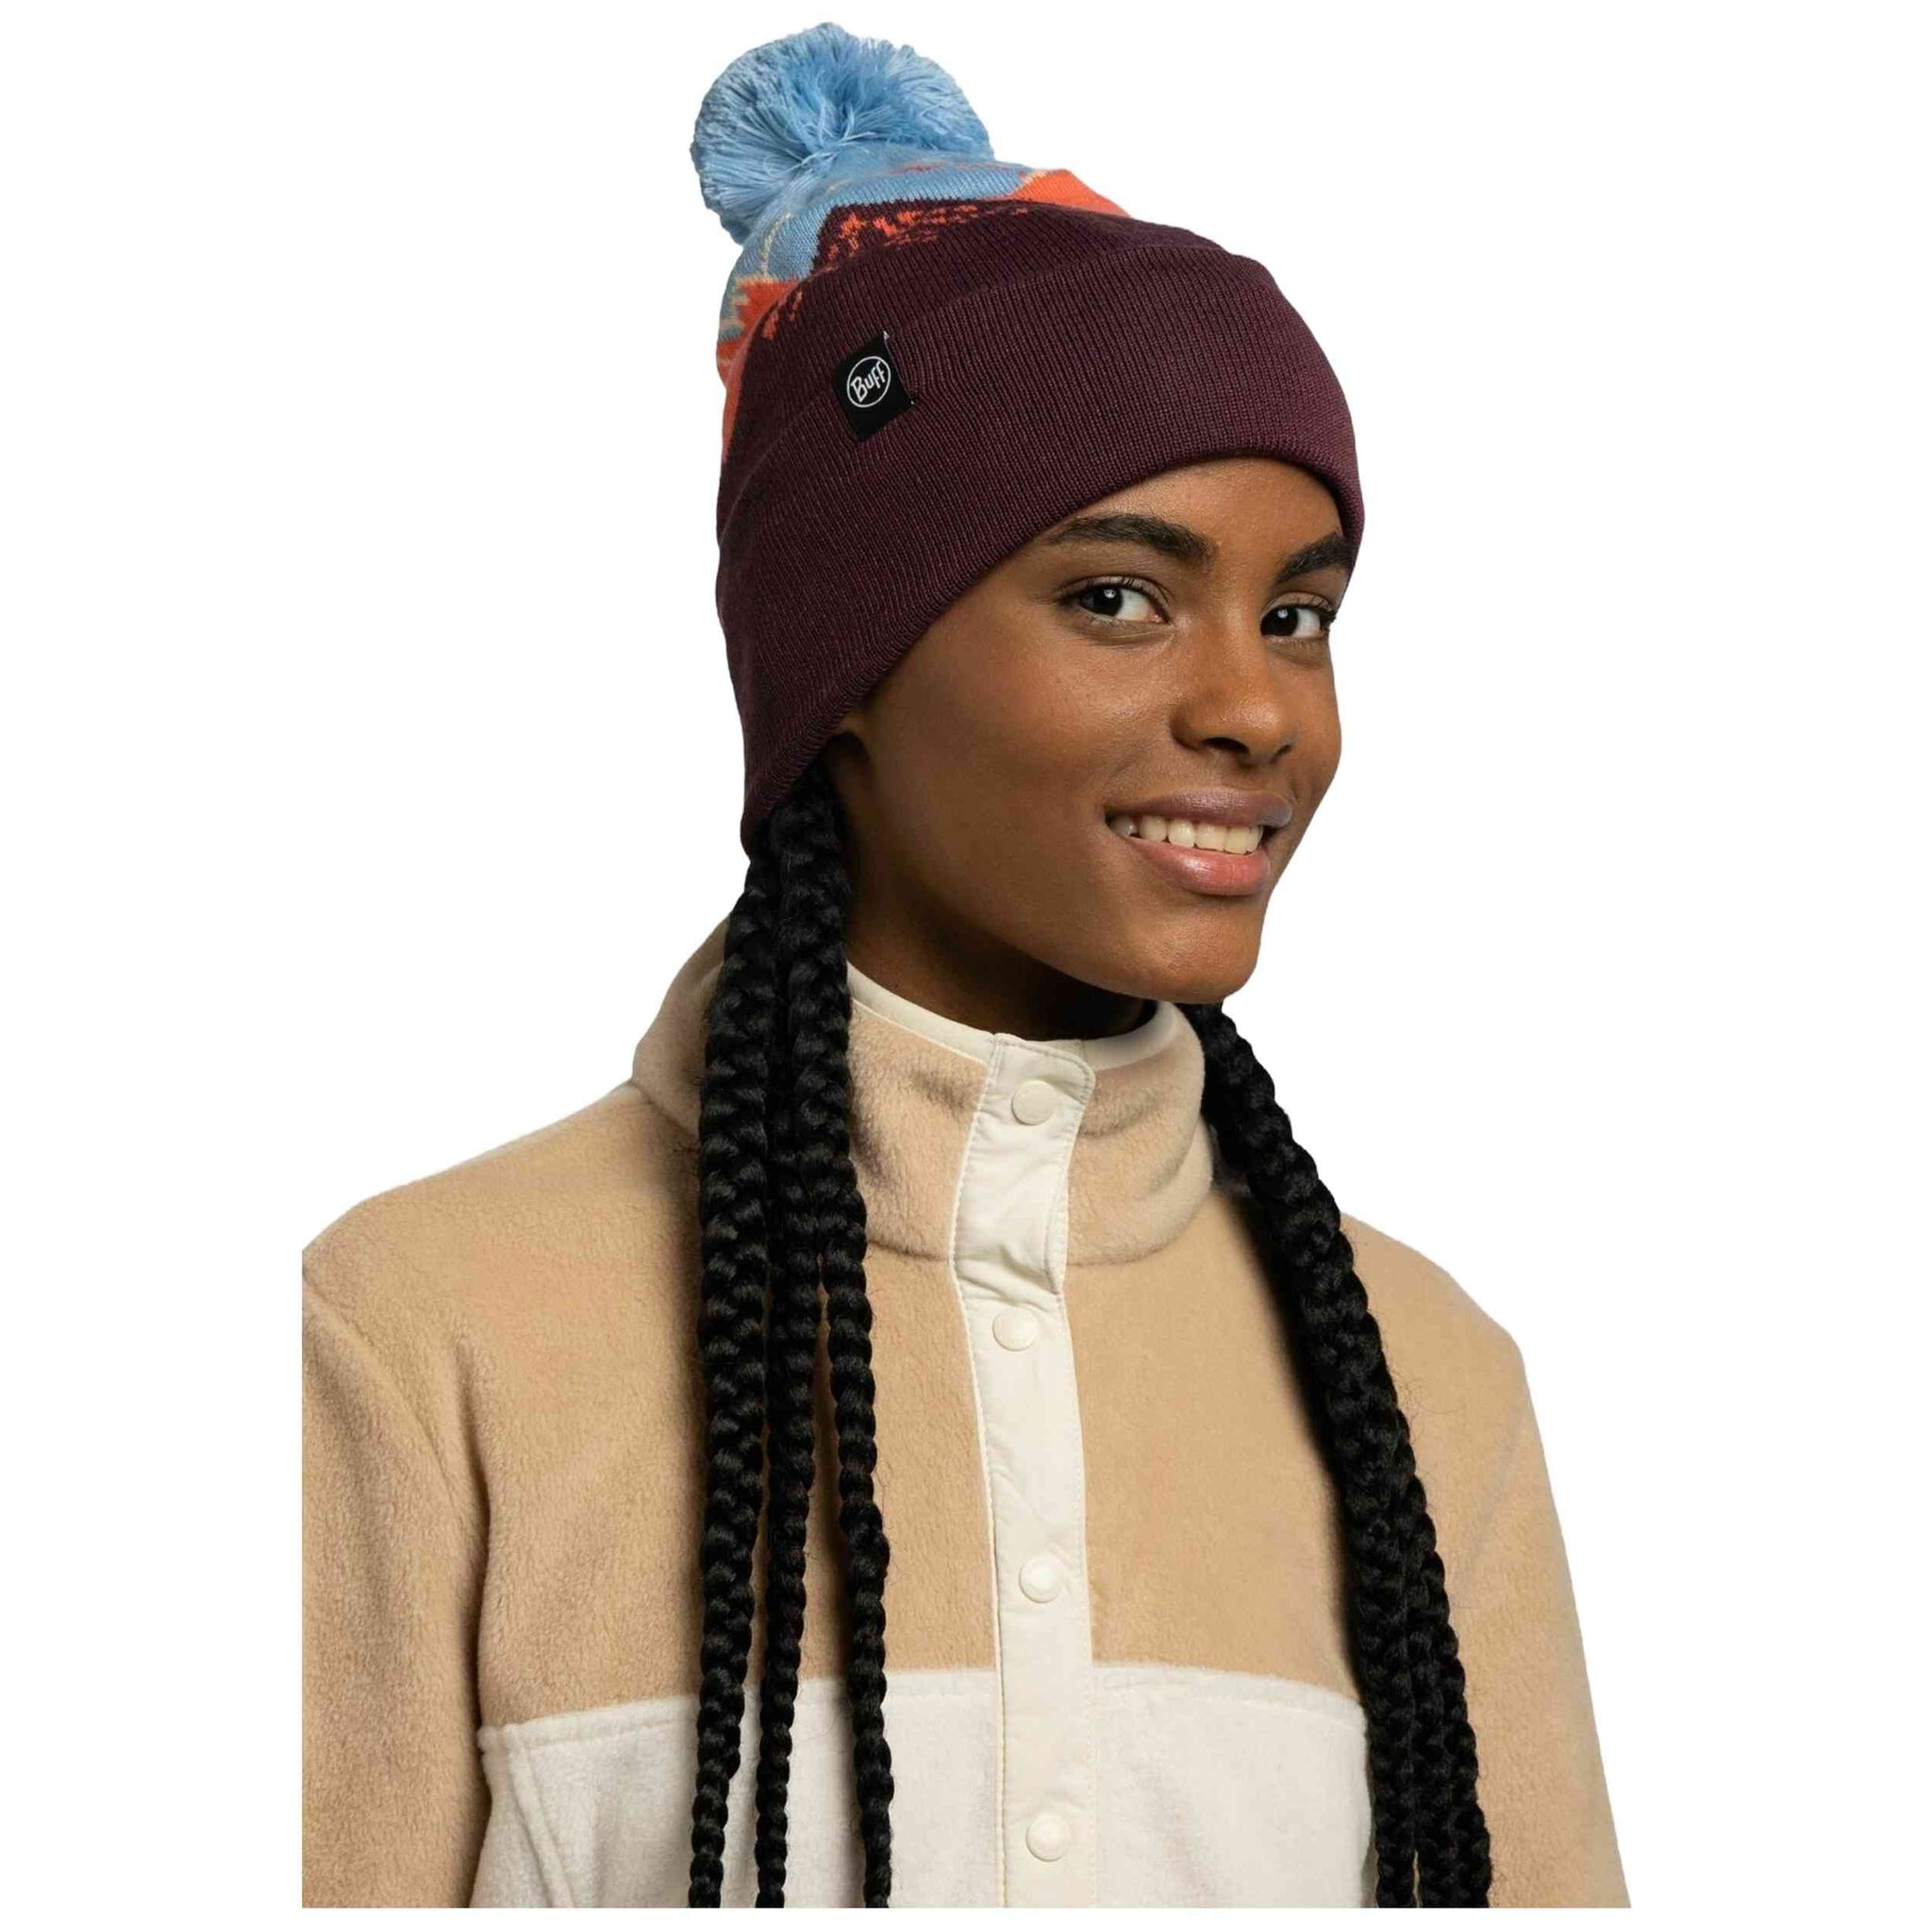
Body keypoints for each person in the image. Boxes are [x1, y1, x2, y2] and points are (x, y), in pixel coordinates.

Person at [302, 20, 1628, 1908]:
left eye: (1299, 612)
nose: (1258, 706)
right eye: (1118, 596)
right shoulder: (425, 1332)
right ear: (845, 664)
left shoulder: (1426, 1378)